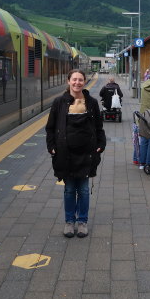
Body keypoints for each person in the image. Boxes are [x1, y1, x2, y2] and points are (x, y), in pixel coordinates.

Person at [46, 69, 106, 238]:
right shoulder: (59, 102)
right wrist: (51, 146)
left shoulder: (92, 102)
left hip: (86, 154)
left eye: (80, 80)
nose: (77, 82)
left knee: (84, 191)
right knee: (70, 190)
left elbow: (99, 127)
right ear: (68, 81)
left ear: (85, 82)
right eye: (74, 79)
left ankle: (82, 222)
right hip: (66, 155)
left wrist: (101, 144)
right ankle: (69, 222)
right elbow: (50, 128)